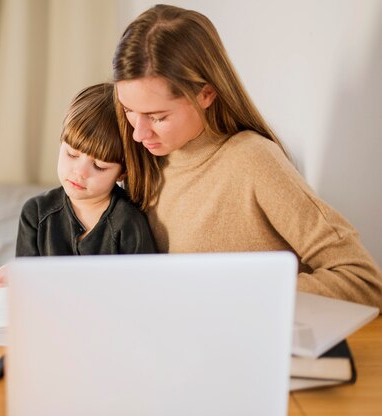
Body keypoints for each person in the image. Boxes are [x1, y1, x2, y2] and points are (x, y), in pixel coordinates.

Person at [111, 4, 382, 308]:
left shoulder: (253, 161)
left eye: (157, 117)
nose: (138, 132)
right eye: (129, 111)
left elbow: (364, 281)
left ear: (206, 94)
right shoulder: (144, 161)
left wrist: (241, 294)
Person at [0, 83, 156, 296]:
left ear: (122, 173)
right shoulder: (36, 213)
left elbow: (142, 292)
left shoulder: (129, 223)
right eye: (72, 154)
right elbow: (28, 287)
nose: (80, 172)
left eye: (100, 166)